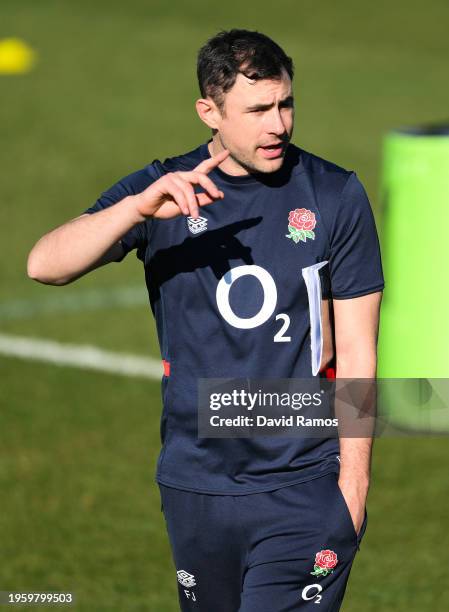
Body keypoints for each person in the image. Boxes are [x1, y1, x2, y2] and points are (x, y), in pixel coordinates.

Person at [27, 29, 384, 612]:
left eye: (285, 104)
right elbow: (44, 264)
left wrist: (354, 484)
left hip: (303, 484)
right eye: (258, 110)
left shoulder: (334, 194)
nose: (278, 125)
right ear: (209, 112)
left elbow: (360, 351)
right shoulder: (164, 188)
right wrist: (137, 209)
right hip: (195, 483)